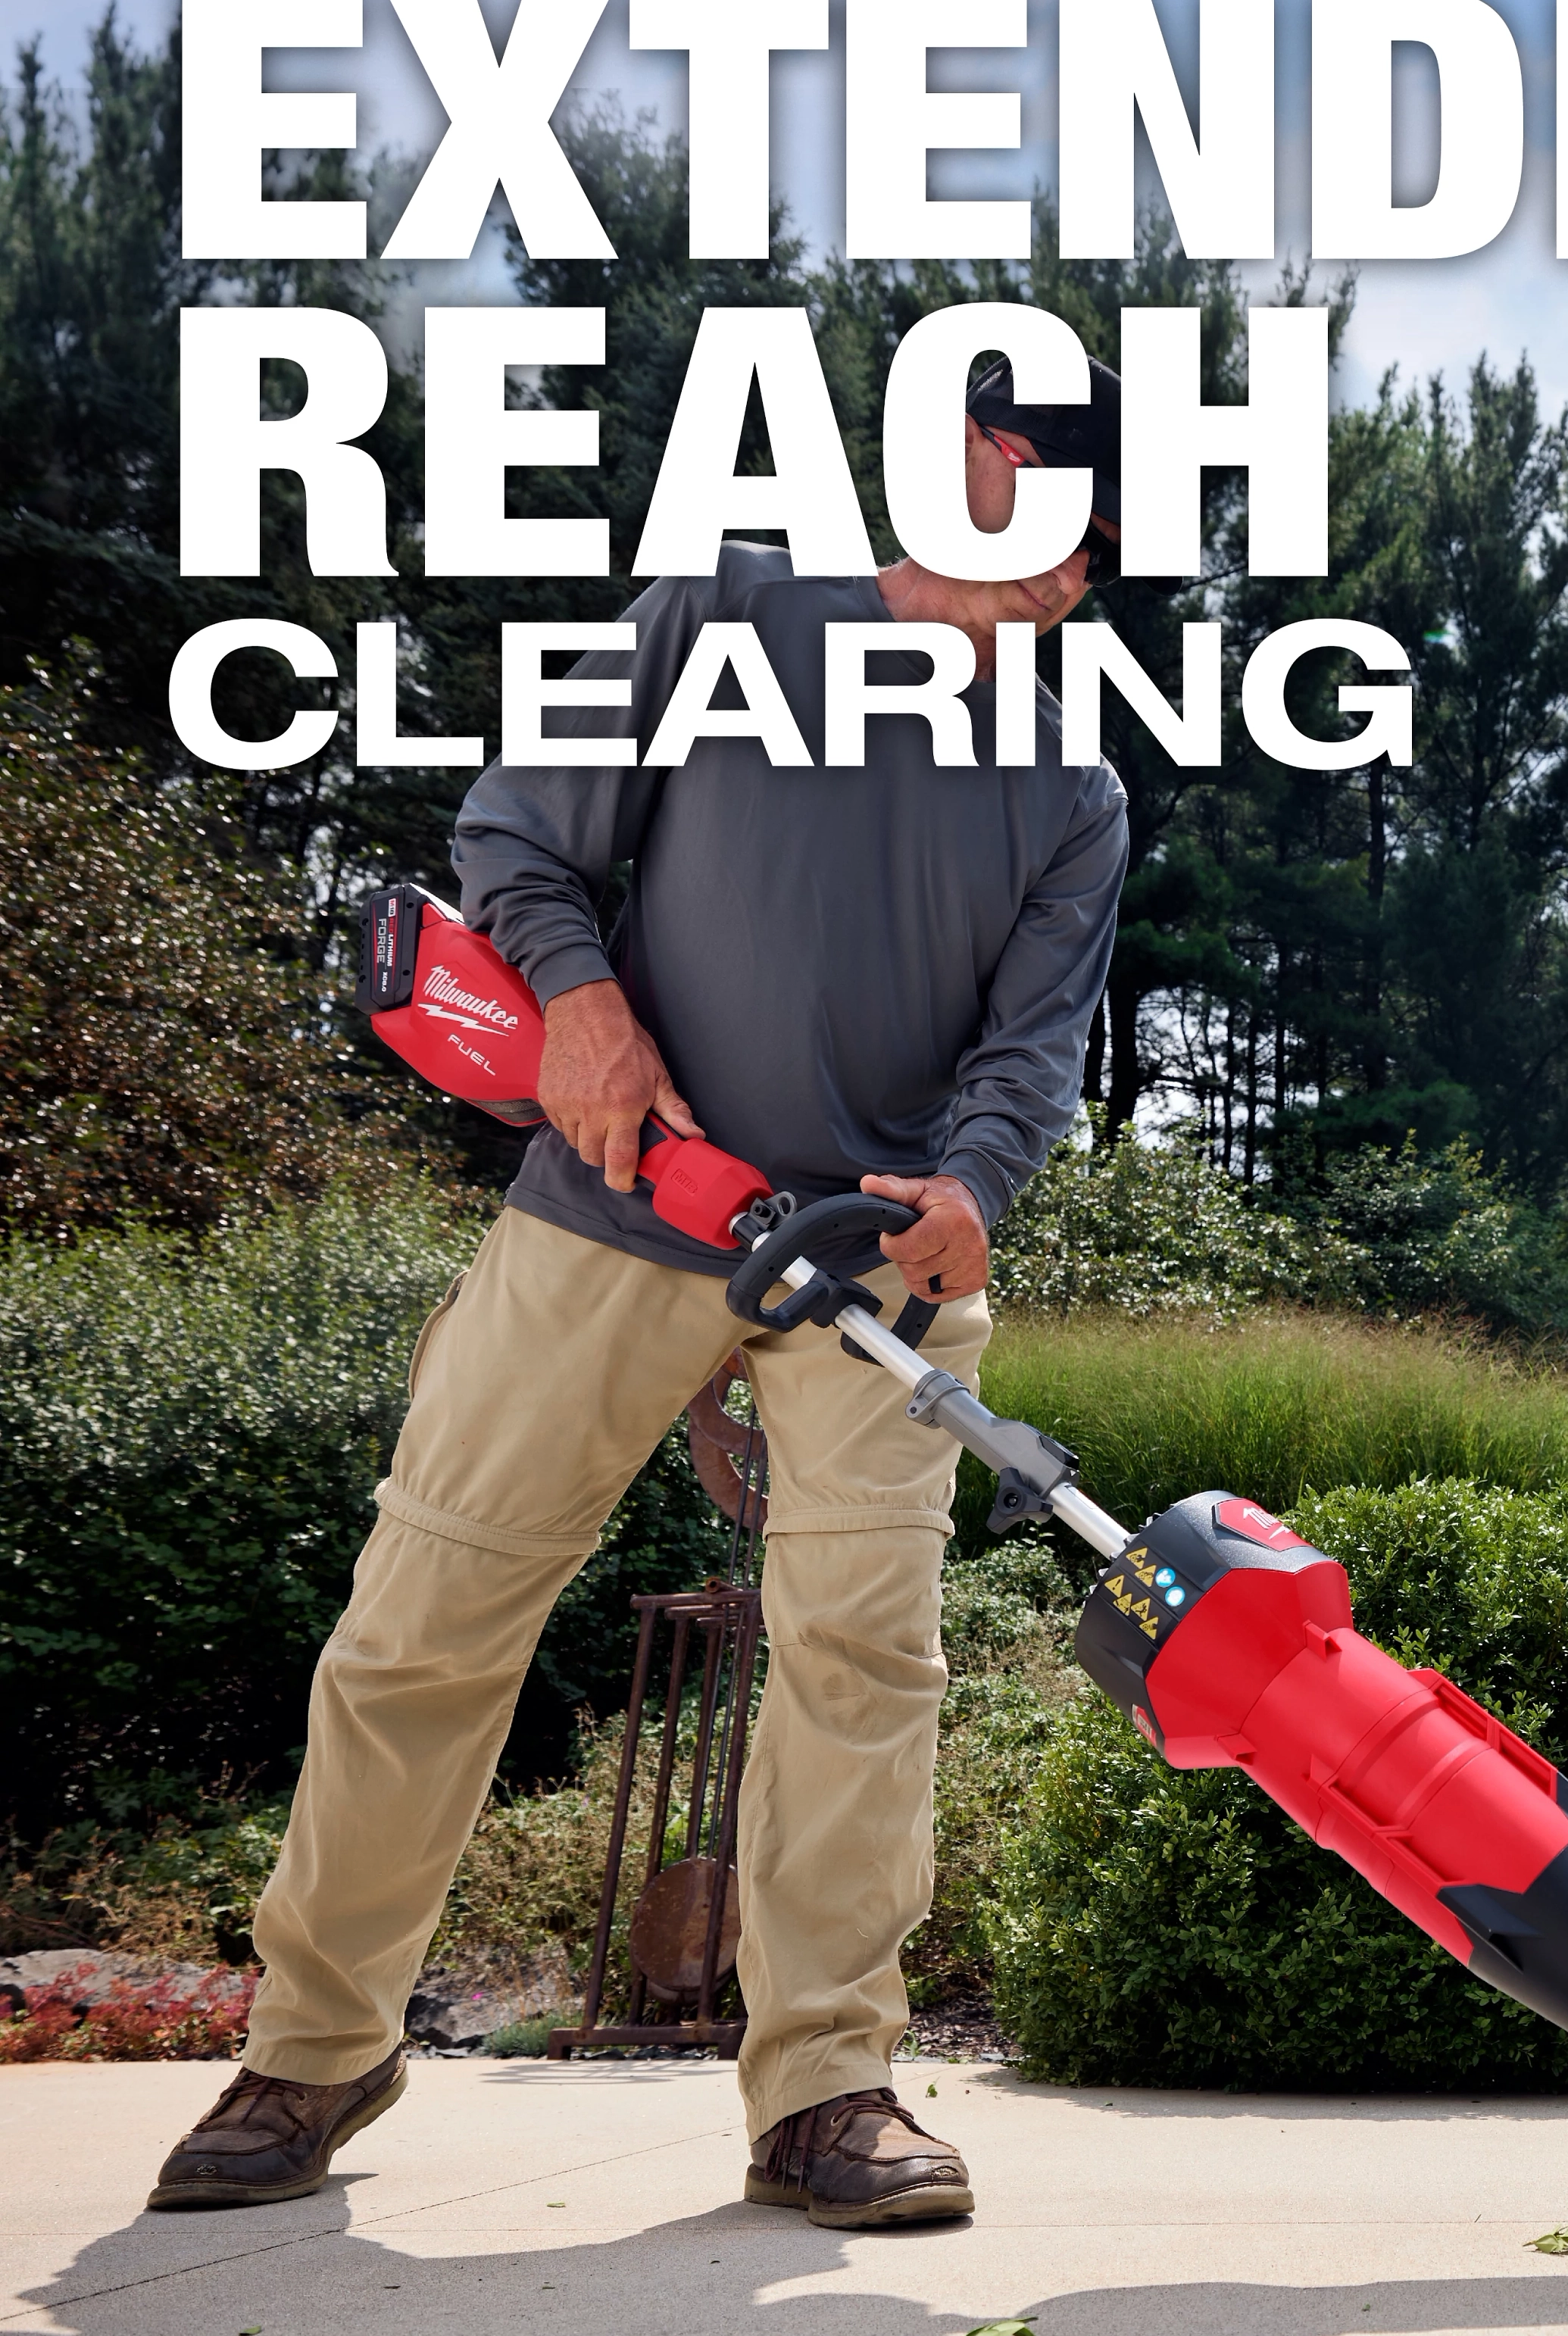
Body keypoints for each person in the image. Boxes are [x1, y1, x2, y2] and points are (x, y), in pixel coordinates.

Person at [147, 361, 1132, 2231]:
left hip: (864, 1275)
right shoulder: (723, 610)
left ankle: (826, 2084)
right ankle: (316, 2039)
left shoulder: (1067, 796)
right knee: (428, 1609)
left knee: (863, 1665)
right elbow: (523, 837)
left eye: (1017, 458)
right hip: (611, 1210)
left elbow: (1029, 1057)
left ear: (1064, 561)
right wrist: (580, 1006)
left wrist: (973, 1190)